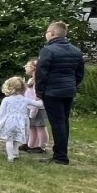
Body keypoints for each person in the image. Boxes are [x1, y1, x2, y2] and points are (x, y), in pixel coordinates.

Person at [34, 22, 84, 165]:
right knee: (63, 121)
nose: (46, 34)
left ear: (52, 33)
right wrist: (72, 85)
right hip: (68, 91)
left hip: (52, 92)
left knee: (57, 123)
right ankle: (61, 152)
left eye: (47, 31)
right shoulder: (76, 51)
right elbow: (79, 72)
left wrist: (40, 91)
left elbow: (41, 73)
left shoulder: (48, 51)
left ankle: (60, 156)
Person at [0, 76, 31, 161]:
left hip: (9, 122)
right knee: (17, 139)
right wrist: (42, 99)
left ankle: (10, 156)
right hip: (21, 123)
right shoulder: (25, 99)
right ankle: (16, 154)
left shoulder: (6, 100)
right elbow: (38, 104)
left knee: (9, 140)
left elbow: (2, 112)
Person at [23, 60, 49, 153]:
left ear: (33, 68)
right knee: (32, 127)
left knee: (40, 127)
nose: (25, 67)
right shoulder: (31, 80)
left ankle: (41, 147)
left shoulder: (38, 82)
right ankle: (31, 145)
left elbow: (37, 97)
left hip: (39, 108)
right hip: (30, 108)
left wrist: (33, 110)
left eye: (27, 65)